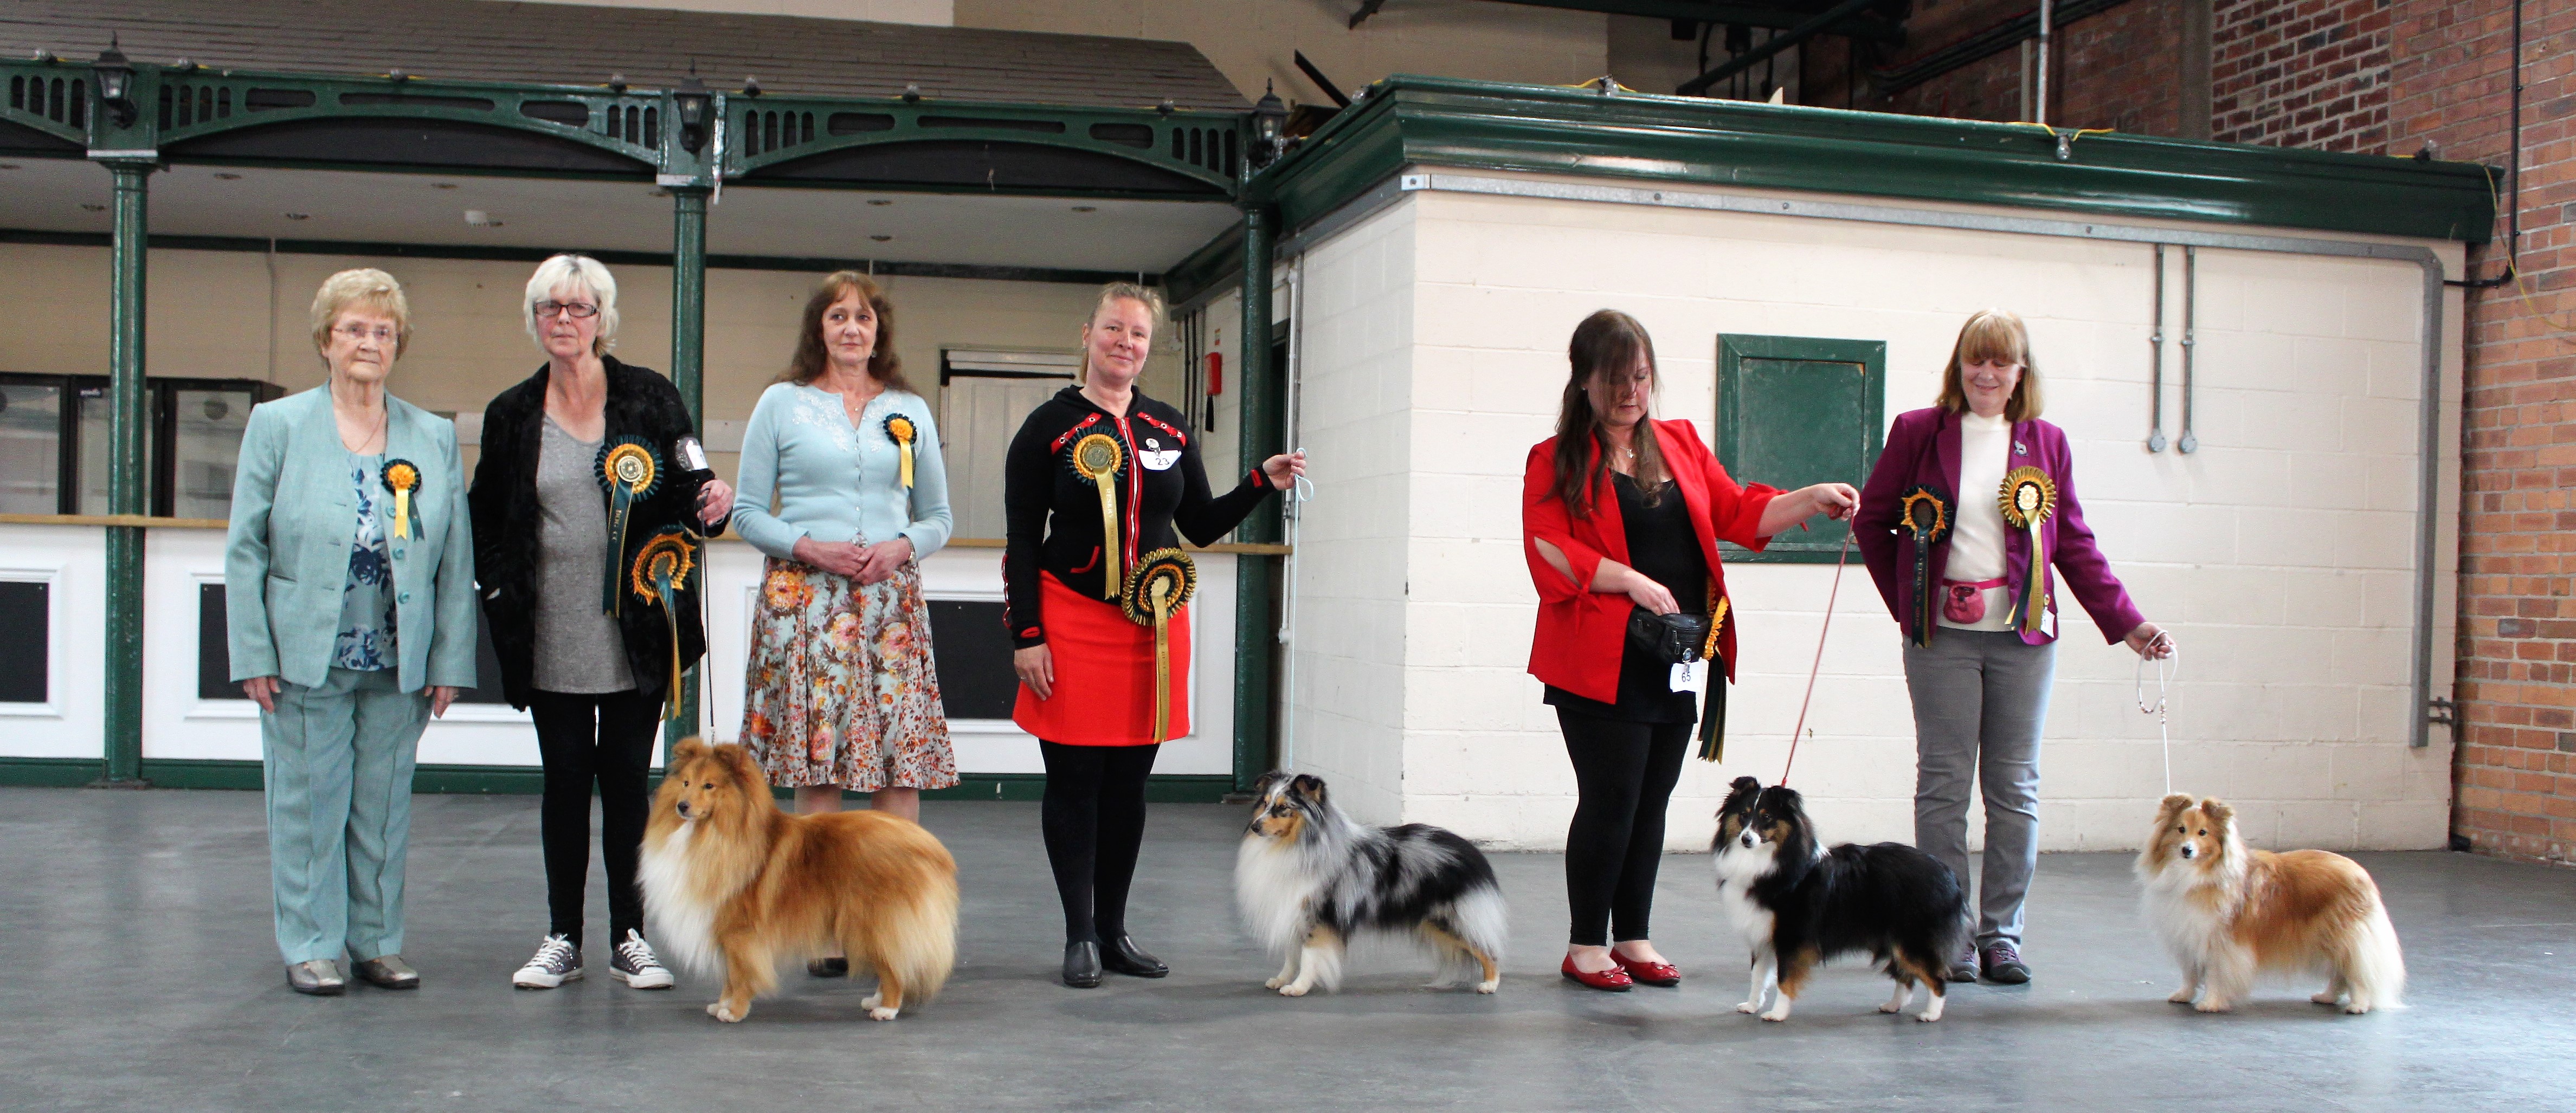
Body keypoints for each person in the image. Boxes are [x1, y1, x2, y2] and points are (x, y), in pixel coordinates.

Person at [1522, 309, 1856, 992]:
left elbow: (1739, 510)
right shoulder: (1554, 458)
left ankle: (1633, 936)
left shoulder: (1679, 443)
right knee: (1611, 799)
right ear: (1583, 380)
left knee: (1652, 801)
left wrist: (1809, 497)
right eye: (1615, 379)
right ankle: (1586, 945)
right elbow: (1548, 546)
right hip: (1598, 658)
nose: (1631, 392)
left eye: (1641, 377)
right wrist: (1629, 579)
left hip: (1671, 657)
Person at [1854, 308, 2173, 986]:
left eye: (2001, 361)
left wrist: (2129, 622)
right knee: (1944, 786)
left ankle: (2001, 934)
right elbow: (1874, 521)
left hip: (2024, 640)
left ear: (2021, 371)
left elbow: (2074, 544)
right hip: (1941, 637)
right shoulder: (1917, 432)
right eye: (1977, 359)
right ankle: (1949, 932)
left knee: (2015, 788)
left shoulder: (2046, 443)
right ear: (1959, 365)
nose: (1987, 372)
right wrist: (1909, 603)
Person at [1004, 282, 1304, 988]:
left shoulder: (1167, 426)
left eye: (1138, 334)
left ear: (1149, 347)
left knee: (1128, 786)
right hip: (1070, 620)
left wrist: (1260, 482)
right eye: (1114, 329)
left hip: (1152, 628)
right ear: (1088, 334)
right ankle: (1079, 933)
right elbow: (1021, 540)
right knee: (1074, 781)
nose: (1125, 343)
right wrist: (1027, 633)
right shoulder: (1047, 427)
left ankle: (1114, 930)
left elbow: (1198, 524)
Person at [469, 254, 733, 992]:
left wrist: (714, 503)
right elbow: (485, 511)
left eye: (579, 308)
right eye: (550, 307)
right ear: (534, 319)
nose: (564, 319)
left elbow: (694, 489)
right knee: (563, 783)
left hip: (636, 630)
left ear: (601, 319)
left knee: (625, 783)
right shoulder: (510, 412)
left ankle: (629, 936)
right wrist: (498, 586)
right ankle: (562, 936)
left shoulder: (651, 397)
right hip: (547, 628)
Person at [224, 268, 475, 995]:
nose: (370, 342)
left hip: (398, 660)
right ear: (326, 340)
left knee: (383, 809)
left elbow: (454, 558)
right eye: (355, 329)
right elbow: (245, 547)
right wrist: (252, 651)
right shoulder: (277, 425)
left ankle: (376, 941)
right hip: (304, 657)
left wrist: (449, 659)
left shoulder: (432, 434)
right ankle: (310, 943)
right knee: (308, 808)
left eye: (383, 331)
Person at [732, 270, 955, 834]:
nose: (851, 328)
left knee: (899, 766)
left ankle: (893, 891)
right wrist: (809, 547)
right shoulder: (781, 403)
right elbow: (747, 512)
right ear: (819, 329)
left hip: (889, 603)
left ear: (879, 332)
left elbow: (939, 518)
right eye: (838, 316)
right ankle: (819, 888)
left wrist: (902, 547)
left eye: (863, 317)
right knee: (818, 763)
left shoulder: (910, 407)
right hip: (806, 600)